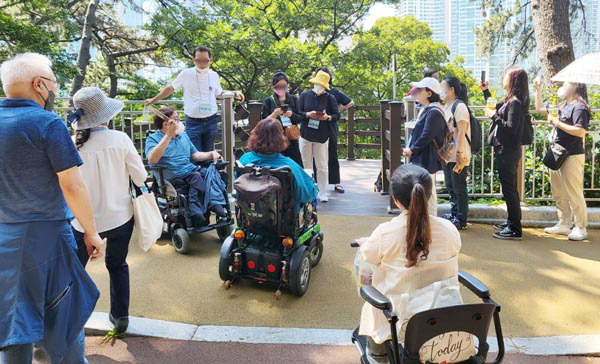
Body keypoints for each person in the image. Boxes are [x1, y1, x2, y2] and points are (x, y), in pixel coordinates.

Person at [0, 53, 103, 363]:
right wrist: (92, 231)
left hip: (3, 236)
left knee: (12, 321)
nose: (55, 90)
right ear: (39, 84)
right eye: (54, 83)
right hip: (45, 238)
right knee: (64, 318)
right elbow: (72, 185)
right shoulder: (47, 123)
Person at [356, 164, 462, 364]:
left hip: (400, 321)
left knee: (365, 269)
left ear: (396, 200)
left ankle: (378, 356)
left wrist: (365, 246)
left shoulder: (385, 233)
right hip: (444, 315)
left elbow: (367, 262)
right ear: (429, 195)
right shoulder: (449, 230)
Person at [69, 87, 148, 333]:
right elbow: (141, 176)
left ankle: (69, 319)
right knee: (117, 264)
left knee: (73, 270)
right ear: (106, 115)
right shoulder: (121, 139)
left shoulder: (72, 144)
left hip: (83, 222)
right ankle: (120, 317)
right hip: (120, 217)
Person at [145, 46, 245, 152]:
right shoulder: (186, 74)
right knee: (194, 154)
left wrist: (235, 93)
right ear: (193, 60)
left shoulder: (214, 75)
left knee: (209, 153)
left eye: (205, 61)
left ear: (210, 60)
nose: (202, 64)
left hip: (211, 120)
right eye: (198, 61)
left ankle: (208, 169)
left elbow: (219, 93)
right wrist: (154, 100)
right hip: (193, 122)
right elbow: (171, 88)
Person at [145, 107, 223, 227]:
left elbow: (195, 155)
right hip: (170, 173)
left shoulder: (183, 136)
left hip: (187, 170)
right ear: (166, 124)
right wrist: (168, 136)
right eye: (176, 119)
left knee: (212, 173)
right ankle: (195, 211)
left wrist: (211, 154)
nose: (180, 122)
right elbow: (152, 159)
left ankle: (214, 203)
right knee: (196, 176)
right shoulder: (153, 139)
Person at [534, 80, 590, 241]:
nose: (562, 87)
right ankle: (564, 223)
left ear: (575, 87)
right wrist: (538, 90)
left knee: (574, 191)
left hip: (572, 154)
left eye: (565, 84)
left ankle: (581, 226)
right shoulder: (563, 105)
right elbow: (540, 109)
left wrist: (557, 122)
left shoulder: (579, 107)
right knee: (558, 190)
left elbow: (580, 131)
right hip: (557, 152)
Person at [481, 66, 529, 240]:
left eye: (506, 76)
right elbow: (496, 107)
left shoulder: (515, 102)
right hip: (505, 150)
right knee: (508, 189)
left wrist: (493, 116)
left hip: (508, 150)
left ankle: (515, 228)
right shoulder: (511, 100)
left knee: (510, 190)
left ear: (514, 80)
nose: (503, 78)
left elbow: (511, 128)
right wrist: (486, 92)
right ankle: (511, 222)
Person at [239, 118, 318, 211]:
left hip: (250, 213)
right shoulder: (288, 165)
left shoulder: (244, 160)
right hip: (284, 218)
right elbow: (306, 194)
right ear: (280, 137)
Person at [402, 77, 447, 216]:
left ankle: (431, 221)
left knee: (429, 191)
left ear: (429, 93)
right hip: (425, 156)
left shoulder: (433, 111)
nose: (416, 92)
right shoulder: (429, 109)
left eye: (420, 90)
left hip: (427, 156)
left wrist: (412, 149)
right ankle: (428, 220)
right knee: (426, 188)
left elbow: (427, 135)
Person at [298, 70, 341, 203]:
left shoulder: (330, 98)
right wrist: (308, 114)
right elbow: (298, 113)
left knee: (322, 165)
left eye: (322, 85)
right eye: (318, 84)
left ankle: (323, 191)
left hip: (322, 136)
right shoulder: (304, 95)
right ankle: (309, 190)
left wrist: (327, 117)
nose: (319, 87)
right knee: (306, 164)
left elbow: (336, 115)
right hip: (305, 134)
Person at [314, 67, 354, 194]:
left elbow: (350, 102)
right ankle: (316, 183)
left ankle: (337, 182)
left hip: (330, 125)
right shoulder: (313, 92)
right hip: (316, 127)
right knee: (316, 155)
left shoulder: (334, 92)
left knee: (332, 153)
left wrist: (338, 109)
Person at [440, 76, 472, 230]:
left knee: (459, 186)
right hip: (448, 152)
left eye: (443, 88)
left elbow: (461, 132)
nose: (441, 92)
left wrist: (459, 153)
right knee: (450, 185)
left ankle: (461, 218)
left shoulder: (459, 107)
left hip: (459, 152)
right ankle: (454, 214)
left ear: (451, 90)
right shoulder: (447, 106)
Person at [261, 71, 303, 167]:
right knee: (278, 167)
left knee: (295, 165)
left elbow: (300, 118)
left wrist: (291, 114)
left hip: (291, 137)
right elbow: (263, 122)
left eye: (283, 86)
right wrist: (274, 114)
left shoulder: (294, 99)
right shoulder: (268, 101)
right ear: (273, 87)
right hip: (275, 138)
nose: (281, 88)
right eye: (278, 86)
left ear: (287, 85)